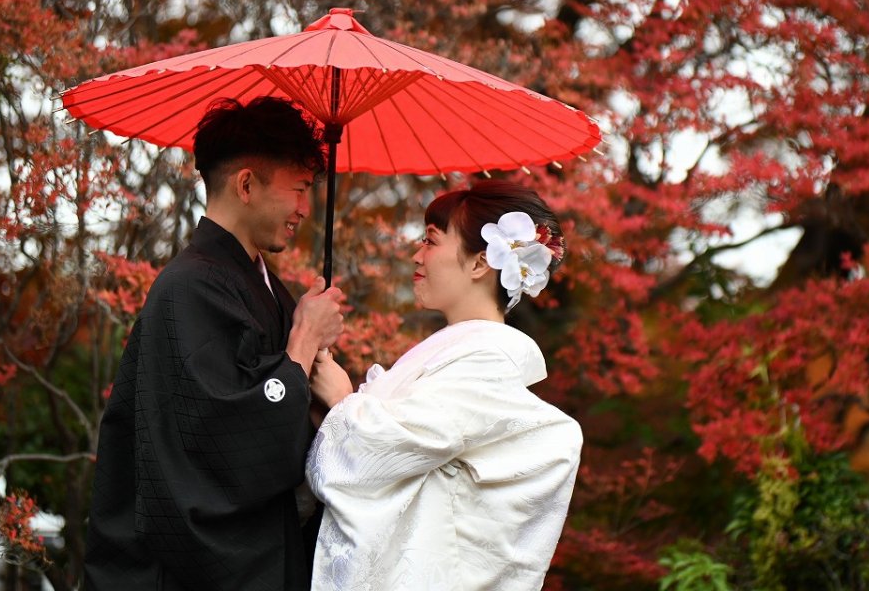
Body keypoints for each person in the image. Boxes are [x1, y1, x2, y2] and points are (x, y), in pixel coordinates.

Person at [85, 97, 347, 591]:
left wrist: (319, 369)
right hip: (185, 571)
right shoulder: (189, 288)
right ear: (246, 184)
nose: (305, 209)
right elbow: (226, 440)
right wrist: (305, 339)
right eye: (299, 189)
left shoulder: (254, 285)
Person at [306, 180, 583, 591]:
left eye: (431, 241)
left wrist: (342, 399)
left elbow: (379, 454)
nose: (417, 255)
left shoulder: (487, 362)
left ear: (479, 264)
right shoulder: (458, 353)